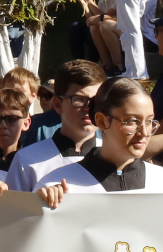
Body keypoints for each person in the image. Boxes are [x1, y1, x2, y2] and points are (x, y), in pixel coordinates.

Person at [36, 77, 163, 207]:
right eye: (132, 121)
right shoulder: (60, 186)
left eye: (149, 121)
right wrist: (41, 205)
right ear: (102, 121)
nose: (144, 132)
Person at [11, 60, 107, 192]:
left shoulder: (115, 158)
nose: (88, 108)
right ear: (57, 104)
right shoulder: (27, 160)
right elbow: (12, 205)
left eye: (96, 101)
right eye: (79, 99)